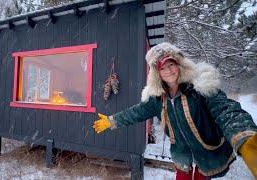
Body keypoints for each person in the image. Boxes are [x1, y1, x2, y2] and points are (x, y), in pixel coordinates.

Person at [93, 42, 257, 179]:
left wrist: (245, 137)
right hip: (182, 156)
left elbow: (226, 110)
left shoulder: (200, 88)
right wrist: (112, 120)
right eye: (163, 68)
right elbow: (136, 112)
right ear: (157, 74)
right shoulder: (157, 98)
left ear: (179, 65)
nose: (169, 71)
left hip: (207, 152)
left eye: (171, 65)